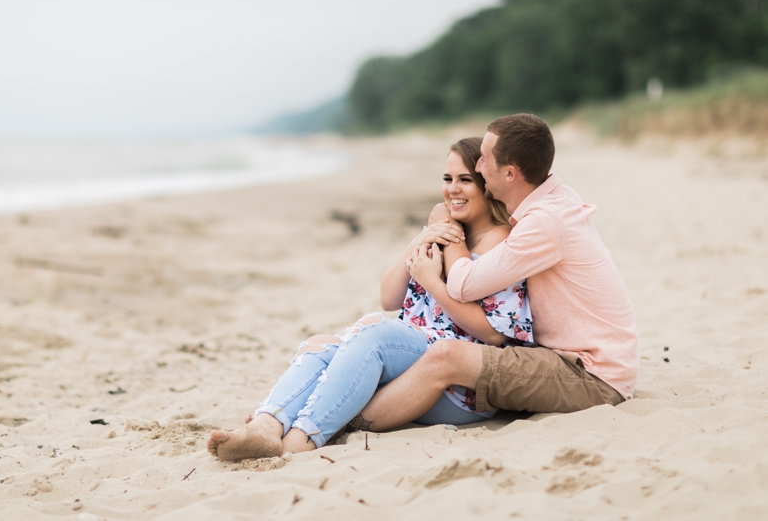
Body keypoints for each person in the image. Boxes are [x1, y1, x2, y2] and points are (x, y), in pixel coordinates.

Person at [207, 137, 533, 462]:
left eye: (465, 180)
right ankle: (265, 427)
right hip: (413, 356)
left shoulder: (500, 242)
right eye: (448, 179)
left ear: (486, 184)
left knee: (376, 333)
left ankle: (298, 442)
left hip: (461, 389)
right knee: (319, 345)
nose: (453, 190)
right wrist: (421, 238)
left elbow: (492, 334)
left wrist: (432, 282)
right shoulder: (442, 229)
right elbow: (389, 297)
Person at [353, 113, 639, 432]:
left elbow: (462, 284)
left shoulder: (544, 224)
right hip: (571, 359)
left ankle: (346, 418)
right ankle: (339, 402)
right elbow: (390, 297)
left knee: (446, 356)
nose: (477, 167)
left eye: (484, 159)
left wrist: (449, 229)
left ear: (510, 173)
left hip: (591, 374)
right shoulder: (550, 204)